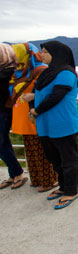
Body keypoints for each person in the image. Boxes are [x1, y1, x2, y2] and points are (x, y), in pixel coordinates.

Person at [24, 41, 78, 210]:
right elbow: (36, 94)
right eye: (42, 51)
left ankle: (72, 190)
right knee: (54, 158)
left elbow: (56, 96)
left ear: (57, 54)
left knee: (69, 159)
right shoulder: (46, 74)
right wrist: (33, 109)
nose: (42, 55)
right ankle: (63, 186)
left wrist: (35, 111)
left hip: (63, 123)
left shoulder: (66, 73)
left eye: (46, 52)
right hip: (46, 124)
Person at [10, 42, 57, 192]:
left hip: (36, 116)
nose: (15, 60)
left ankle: (50, 180)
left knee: (43, 150)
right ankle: (36, 178)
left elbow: (48, 93)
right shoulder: (19, 73)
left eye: (17, 56)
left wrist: (34, 97)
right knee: (31, 149)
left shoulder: (40, 70)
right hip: (24, 118)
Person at [0, 43, 28, 190]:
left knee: (1, 143)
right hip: (3, 110)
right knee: (3, 144)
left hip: (4, 112)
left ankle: (18, 173)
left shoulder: (8, 71)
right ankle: (13, 174)